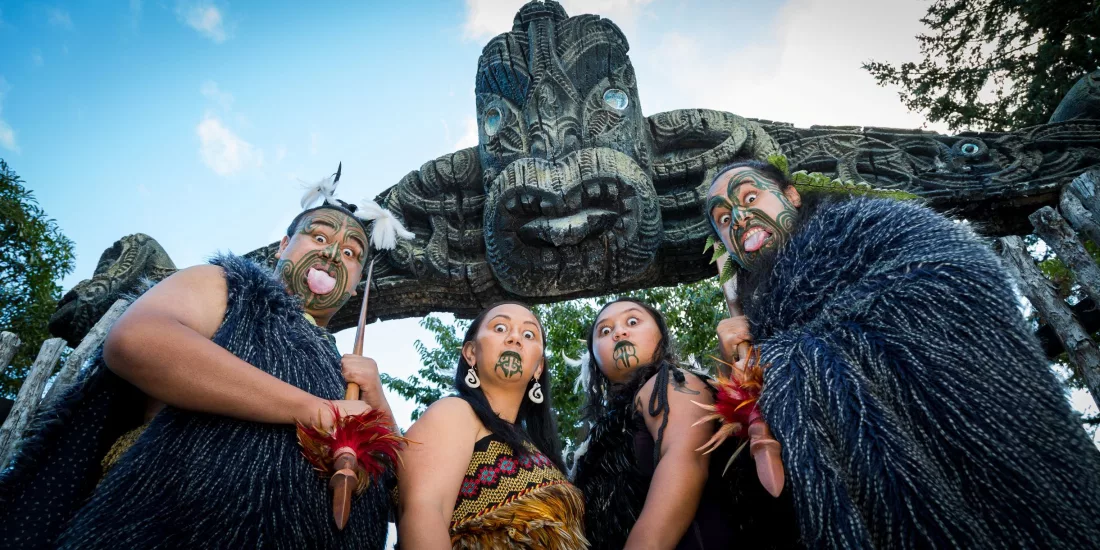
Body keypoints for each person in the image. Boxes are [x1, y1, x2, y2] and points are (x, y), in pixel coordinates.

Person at [706, 159, 1100, 548]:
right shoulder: (759, 321)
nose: (739, 218)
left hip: (998, 466)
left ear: (791, 195)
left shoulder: (869, 225)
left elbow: (958, 274)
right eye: (724, 220)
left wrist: (787, 358)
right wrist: (747, 377)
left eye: (751, 196)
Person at [0, 193, 398, 549]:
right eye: (320, 238)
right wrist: (316, 412)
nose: (332, 256)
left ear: (356, 283)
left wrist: (378, 402)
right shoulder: (232, 288)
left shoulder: (352, 378)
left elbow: (401, 499)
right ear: (282, 246)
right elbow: (138, 340)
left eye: (351, 254)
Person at [571, 298, 800, 549]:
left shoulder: (670, 381)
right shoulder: (601, 434)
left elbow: (685, 460)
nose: (619, 332)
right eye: (605, 330)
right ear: (594, 357)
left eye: (633, 321)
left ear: (662, 336)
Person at [396, 302, 587, 549]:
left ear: (539, 367)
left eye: (529, 334)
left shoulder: (538, 450)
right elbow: (422, 513)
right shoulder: (454, 412)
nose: (515, 338)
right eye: (500, 328)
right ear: (471, 353)